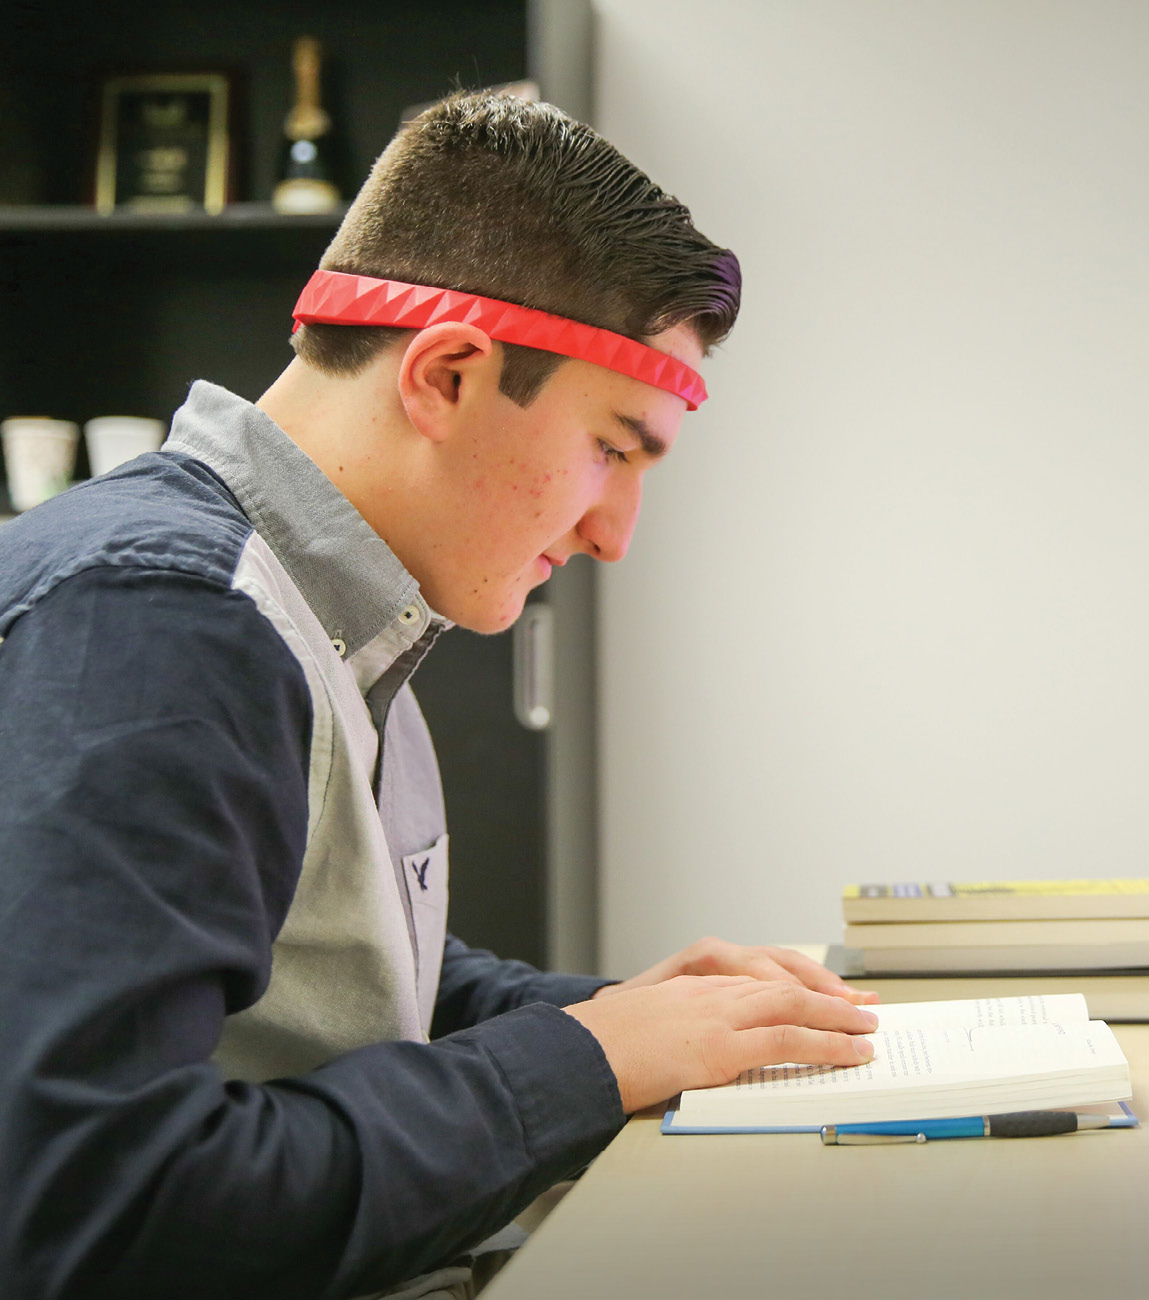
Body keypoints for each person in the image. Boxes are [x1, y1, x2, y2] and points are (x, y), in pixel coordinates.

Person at [0, 92, 878, 1300]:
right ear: (451, 374)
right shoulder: (168, 616)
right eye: (615, 449)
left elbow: (327, 977)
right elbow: (105, 1207)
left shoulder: (326, 616)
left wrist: (646, 1017)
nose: (615, 534)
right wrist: (582, 1060)